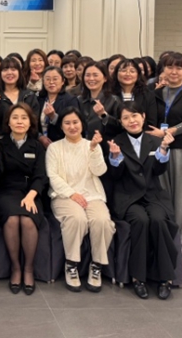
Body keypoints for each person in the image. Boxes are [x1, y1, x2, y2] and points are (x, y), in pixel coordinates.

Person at [108, 101, 177, 300]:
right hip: (128, 197)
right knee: (140, 220)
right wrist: (115, 157)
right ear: (120, 122)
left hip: (153, 195)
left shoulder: (155, 141)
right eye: (126, 117)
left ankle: (165, 277)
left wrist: (163, 149)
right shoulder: (116, 142)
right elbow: (115, 176)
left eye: (135, 115)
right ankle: (138, 277)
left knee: (158, 219)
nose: (132, 120)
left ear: (143, 117)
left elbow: (158, 170)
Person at [46, 107, 115, 293]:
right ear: (61, 126)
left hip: (92, 194)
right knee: (77, 219)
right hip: (64, 195)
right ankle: (71, 264)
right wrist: (72, 194)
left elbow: (100, 171)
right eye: (67, 123)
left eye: (75, 122)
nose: (72, 126)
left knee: (102, 220)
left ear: (82, 124)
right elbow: (53, 176)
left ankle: (96, 265)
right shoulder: (54, 148)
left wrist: (93, 150)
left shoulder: (91, 145)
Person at [0, 104, 47, 295]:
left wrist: (31, 195)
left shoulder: (37, 146)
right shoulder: (0, 142)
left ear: (30, 123)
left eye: (24, 118)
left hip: (31, 192)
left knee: (28, 220)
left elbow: (41, 176)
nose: (19, 121)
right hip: (6, 192)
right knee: (13, 219)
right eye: (15, 117)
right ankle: (15, 268)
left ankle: (28, 269)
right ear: (8, 122)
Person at [150, 52, 182, 255]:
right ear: (163, 69)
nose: (174, 71)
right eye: (170, 67)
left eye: (179, 68)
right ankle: (164, 240)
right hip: (160, 150)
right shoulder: (156, 91)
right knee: (162, 198)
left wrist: (167, 132)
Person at [0, 56, 39, 135]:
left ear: (19, 73)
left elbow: (34, 123)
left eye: (13, 69)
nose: (9, 73)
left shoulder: (29, 95)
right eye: (5, 70)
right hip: (1, 139)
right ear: (0, 73)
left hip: (25, 138)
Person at [78, 61, 122, 142]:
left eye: (95, 75)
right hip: (83, 145)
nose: (91, 79)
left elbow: (120, 127)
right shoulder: (79, 100)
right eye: (87, 75)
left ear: (105, 78)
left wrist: (103, 115)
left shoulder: (114, 100)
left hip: (106, 145)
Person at [37, 66, 80, 147]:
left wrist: (53, 117)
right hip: (40, 146)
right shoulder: (38, 99)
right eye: (48, 79)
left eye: (55, 79)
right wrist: (40, 137)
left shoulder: (70, 100)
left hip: (63, 145)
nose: (51, 82)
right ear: (43, 81)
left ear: (63, 81)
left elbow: (73, 125)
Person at [111, 58, 158, 129]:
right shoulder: (109, 94)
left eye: (132, 71)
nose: (128, 74)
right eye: (123, 71)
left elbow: (151, 122)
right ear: (116, 73)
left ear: (138, 74)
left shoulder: (147, 95)